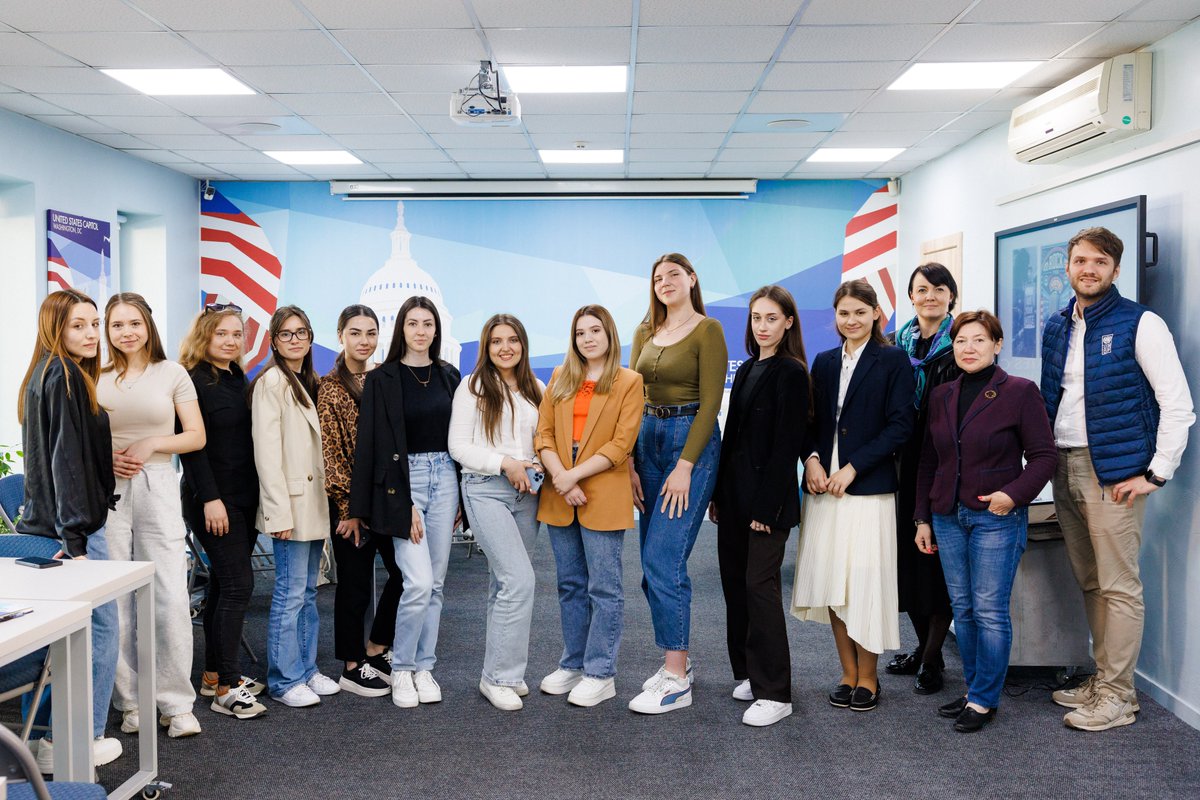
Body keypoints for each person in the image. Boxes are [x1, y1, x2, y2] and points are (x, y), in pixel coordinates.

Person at [1040, 227, 1194, 731]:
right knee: (1090, 580)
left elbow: (1177, 404)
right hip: (1064, 463)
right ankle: (1103, 677)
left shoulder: (1141, 323)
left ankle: (1118, 696)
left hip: (1115, 472)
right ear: (1067, 267)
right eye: (1080, 260)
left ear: (1115, 269)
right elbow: (1052, 398)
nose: (1089, 269)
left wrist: (1157, 472)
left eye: (1100, 261)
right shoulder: (1057, 326)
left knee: (1119, 585)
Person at [914, 310, 1057, 732]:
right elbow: (927, 460)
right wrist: (922, 516)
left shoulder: (1019, 391)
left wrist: (1011, 495)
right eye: (961, 341)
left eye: (979, 340)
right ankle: (977, 688)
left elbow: (1045, 457)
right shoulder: (942, 394)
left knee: (990, 610)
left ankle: (983, 699)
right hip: (946, 516)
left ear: (997, 345)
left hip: (996, 516)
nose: (969, 348)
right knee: (963, 608)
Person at [791, 279, 914, 713]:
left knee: (864, 584)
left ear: (877, 314)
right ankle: (847, 673)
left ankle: (869, 677)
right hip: (824, 492)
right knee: (834, 585)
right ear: (835, 317)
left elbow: (901, 426)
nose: (852, 320)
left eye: (860, 312)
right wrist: (810, 460)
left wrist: (853, 466)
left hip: (868, 490)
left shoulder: (894, 360)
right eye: (844, 313)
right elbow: (808, 421)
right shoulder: (823, 363)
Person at [18, 289, 123, 771]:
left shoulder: (43, 373)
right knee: (100, 629)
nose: (90, 333)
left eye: (93, 323)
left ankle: (40, 743)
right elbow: (65, 464)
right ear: (55, 329)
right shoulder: (64, 375)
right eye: (78, 325)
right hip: (71, 528)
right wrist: (76, 539)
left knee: (50, 638)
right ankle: (79, 737)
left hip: (44, 524)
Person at [97, 292, 205, 739]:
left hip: (158, 483)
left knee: (170, 596)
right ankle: (130, 702)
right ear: (107, 329)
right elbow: (80, 437)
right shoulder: (93, 375)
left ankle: (176, 703)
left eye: (134, 323)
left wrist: (151, 444)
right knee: (116, 601)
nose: (127, 332)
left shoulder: (172, 373)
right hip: (107, 492)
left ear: (148, 326)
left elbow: (195, 436)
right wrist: (109, 457)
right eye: (118, 325)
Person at [349, 296, 461, 709]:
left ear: (436, 330)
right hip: (403, 483)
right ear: (402, 329)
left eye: (427, 323)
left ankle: (423, 667)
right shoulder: (382, 379)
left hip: (445, 477)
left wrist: (463, 497)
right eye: (412, 323)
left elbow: (460, 440)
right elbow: (370, 448)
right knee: (416, 582)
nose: (420, 331)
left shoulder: (450, 375)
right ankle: (401, 669)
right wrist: (398, 504)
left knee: (436, 585)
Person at [628, 252, 727, 715]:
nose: (665, 282)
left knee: (663, 561)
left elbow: (710, 404)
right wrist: (628, 460)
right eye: (657, 277)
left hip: (690, 442)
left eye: (674, 275)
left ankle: (675, 676)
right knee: (651, 571)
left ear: (692, 278)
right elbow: (630, 397)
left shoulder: (708, 330)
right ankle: (679, 659)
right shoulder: (644, 332)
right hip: (646, 441)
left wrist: (686, 465)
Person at [711, 285, 810, 727]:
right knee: (735, 585)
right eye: (756, 318)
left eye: (772, 318)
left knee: (759, 587)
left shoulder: (790, 372)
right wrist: (718, 495)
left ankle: (776, 692)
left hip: (767, 504)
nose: (763, 326)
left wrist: (766, 509)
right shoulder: (750, 368)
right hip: (732, 499)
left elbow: (785, 445)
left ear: (788, 322)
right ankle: (751, 673)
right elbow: (732, 442)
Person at [535, 305, 643, 708]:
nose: (587, 338)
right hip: (561, 489)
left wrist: (573, 476)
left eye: (595, 330)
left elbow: (621, 444)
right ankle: (573, 664)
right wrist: (563, 478)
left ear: (609, 335)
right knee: (569, 586)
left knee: (604, 587)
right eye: (580, 333)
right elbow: (543, 435)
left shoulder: (629, 381)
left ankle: (601, 673)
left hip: (600, 487)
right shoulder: (561, 377)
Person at [448, 314, 544, 711]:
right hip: (486, 489)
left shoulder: (536, 387)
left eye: (513, 340)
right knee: (519, 581)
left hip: (529, 494)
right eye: (496, 341)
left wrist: (535, 461)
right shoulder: (471, 387)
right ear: (485, 347)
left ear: (522, 344)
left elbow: (543, 439)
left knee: (503, 585)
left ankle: (503, 672)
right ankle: (499, 678)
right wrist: (506, 462)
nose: (505, 347)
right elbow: (458, 446)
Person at [178, 303, 267, 720]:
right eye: (221, 334)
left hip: (244, 497)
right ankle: (227, 689)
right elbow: (193, 450)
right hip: (213, 499)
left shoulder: (236, 376)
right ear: (204, 337)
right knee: (237, 586)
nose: (231, 341)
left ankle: (213, 674)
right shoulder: (192, 380)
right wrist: (210, 499)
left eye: (237, 334)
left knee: (220, 586)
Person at [250, 305, 338, 707]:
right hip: (290, 506)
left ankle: (306, 669)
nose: (296, 340)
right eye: (287, 334)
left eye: (302, 332)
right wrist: (277, 512)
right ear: (274, 340)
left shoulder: (307, 381)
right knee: (289, 592)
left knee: (307, 591)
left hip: (312, 504)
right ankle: (284, 680)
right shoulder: (272, 382)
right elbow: (266, 455)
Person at [886, 264, 961, 694]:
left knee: (934, 564)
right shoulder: (898, 343)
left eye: (939, 289)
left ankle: (933, 658)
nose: (930, 296)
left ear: (951, 295)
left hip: (941, 462)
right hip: (900, 464)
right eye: (921, 289)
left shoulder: (962, 343)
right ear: (911, 297)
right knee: (908, 564)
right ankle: (921, 645)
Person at [317, 305, 398, 699]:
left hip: (388, 497)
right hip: (350, 504)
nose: (363, 340)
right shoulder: (330, 387)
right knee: (353, 584)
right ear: (340, 335)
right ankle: (351, 666)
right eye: (355, 332)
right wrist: (350, 510)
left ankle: (376, 647)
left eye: (370, 332)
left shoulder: (385, 377)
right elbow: (330, 454)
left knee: (404, 575)